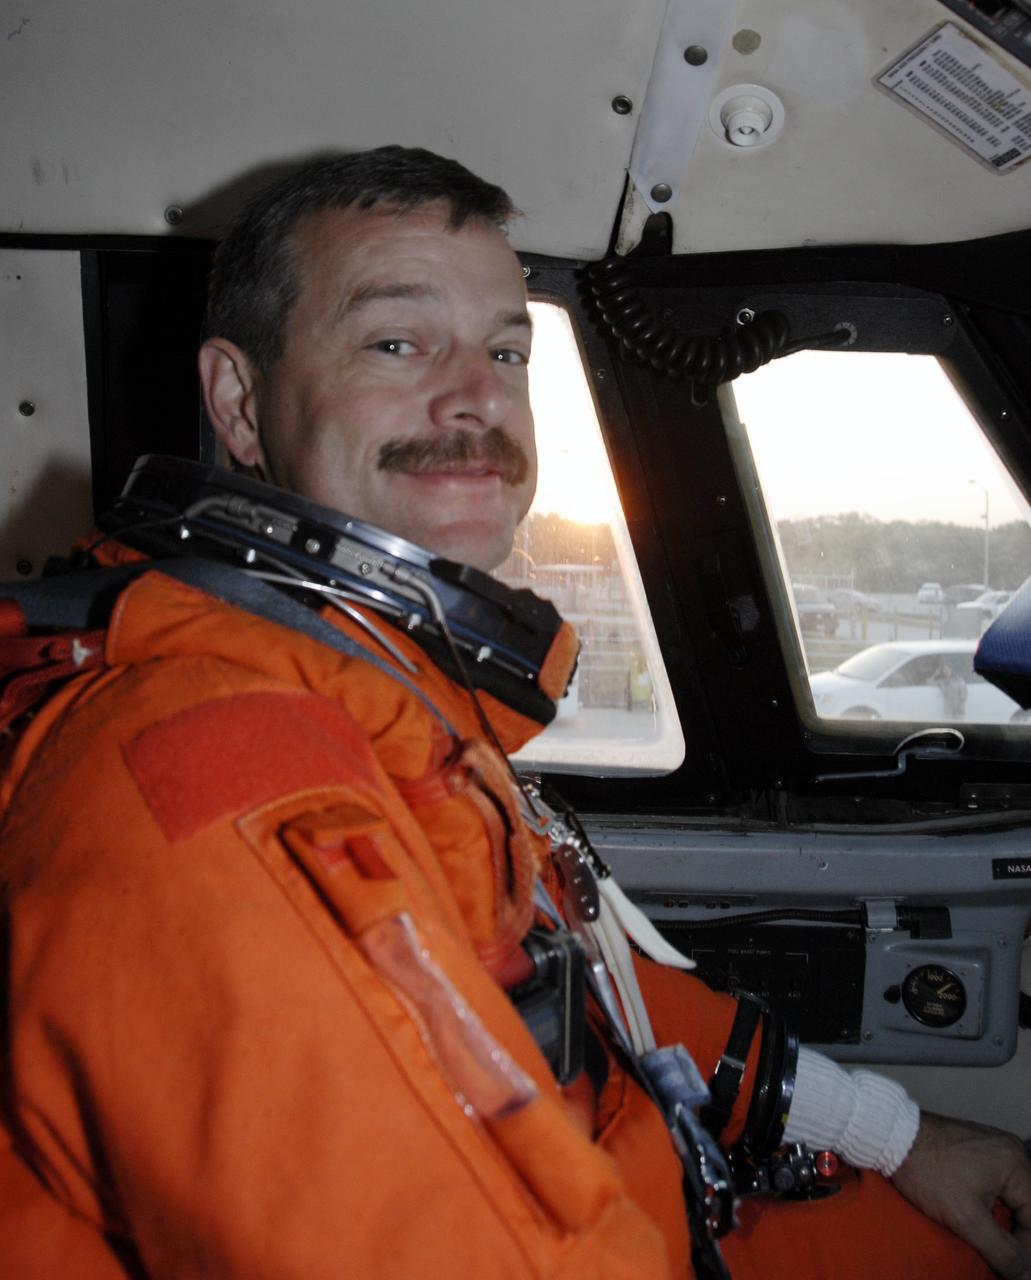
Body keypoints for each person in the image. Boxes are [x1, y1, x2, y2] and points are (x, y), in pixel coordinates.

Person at [1, 146, 1029, 1280]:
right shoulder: (218, 784)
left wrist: (901, 1136)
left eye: (504, 348)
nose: (475, 398)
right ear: (239, 404)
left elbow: (605, 1001)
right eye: (397, 342)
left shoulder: (379, 692)